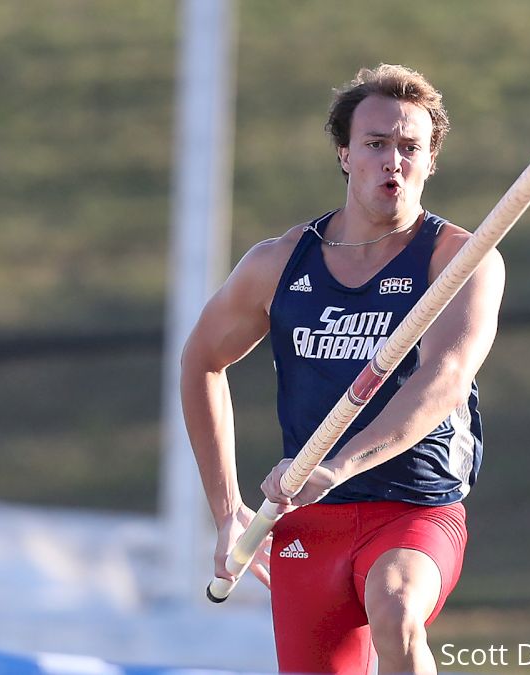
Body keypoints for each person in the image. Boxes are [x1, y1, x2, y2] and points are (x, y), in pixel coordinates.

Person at [181, 63, 504, 674]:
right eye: (376, 144)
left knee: (397, 609)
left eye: (410, 147)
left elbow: (446, 379)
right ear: (344, 154)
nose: (393, 161)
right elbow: (201, 361)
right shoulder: (278, 264)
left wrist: (339, 463)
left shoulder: (459, 261)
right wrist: (227, 512)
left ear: (430, 161)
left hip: (413, 506)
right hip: (308, 523)